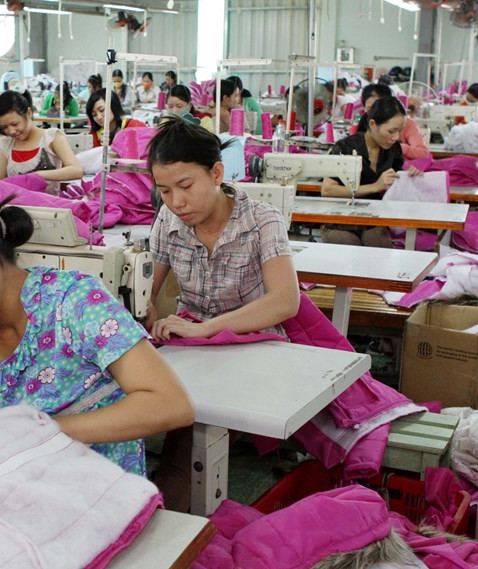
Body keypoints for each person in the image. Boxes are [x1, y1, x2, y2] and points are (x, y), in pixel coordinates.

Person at [0, 192, 195, 478]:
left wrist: (41, 432)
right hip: (12, 490)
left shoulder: (74, 303)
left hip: (97, 493)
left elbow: (170, 404)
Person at [142, 118, 299, 511]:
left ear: (216, 173)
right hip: (194, 347)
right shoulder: (168, 220)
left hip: (256, 348)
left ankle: (172, 510)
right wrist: (145, 311)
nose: (176, 202)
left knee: (186, 436)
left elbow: (285, 301)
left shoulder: (262, 220)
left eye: (185, 186)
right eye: (164, 191)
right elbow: (146, 292)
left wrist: (206, 329)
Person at [321, 96, 423, 247]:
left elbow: (395, 182)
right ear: (373, 124)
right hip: (339, 219)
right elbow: (327, 190)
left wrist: (409, 175)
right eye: (391, 131)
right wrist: (375, 186)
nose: (395, 137)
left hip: (373, 218)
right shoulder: (345, 147)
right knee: (350, 248)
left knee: (380, 249)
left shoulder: (392, 149)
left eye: (399, 131)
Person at [0, 90, 83, 194]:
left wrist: (38, 175)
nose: (11, 131)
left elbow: (76, 171)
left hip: (49, 203)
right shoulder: (7, 144)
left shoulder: (51, 138)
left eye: (15, 124)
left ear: (29, 113)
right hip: (16, 203)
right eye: (4, 127)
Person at [361, 83, 428, 160]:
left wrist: (399, 148)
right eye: (370, 109)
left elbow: (422, 153)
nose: (374, 114)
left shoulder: (407, 123)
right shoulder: (362, 124)